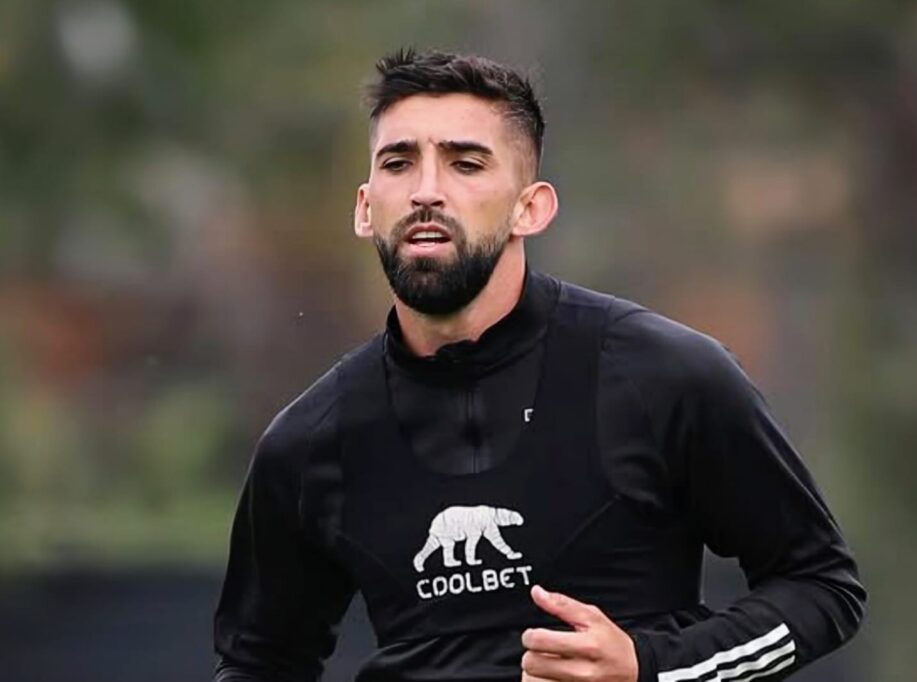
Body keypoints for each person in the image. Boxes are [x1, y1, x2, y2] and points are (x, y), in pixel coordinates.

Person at [213, 49, 866, 682]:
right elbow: (258, 663)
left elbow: (821, 587)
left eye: (466, 163)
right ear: (365, 208)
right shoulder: (308, 443)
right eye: (399, 163)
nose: (426, 191)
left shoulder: (664, 375)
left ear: (532, 207)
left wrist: (651, 669)